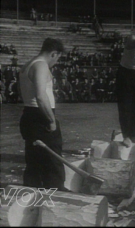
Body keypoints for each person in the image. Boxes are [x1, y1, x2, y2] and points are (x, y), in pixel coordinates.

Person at [19, 38, 66, 190]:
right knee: (52, 159)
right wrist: (51, 121)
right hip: (41, 116)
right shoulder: (41, 65)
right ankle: (56, 192)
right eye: (57, 58)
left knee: (34, 161)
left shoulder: (28, 65)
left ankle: (32, 194)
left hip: (29, 114)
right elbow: (40, 95)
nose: (56, 62)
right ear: (54, 54)